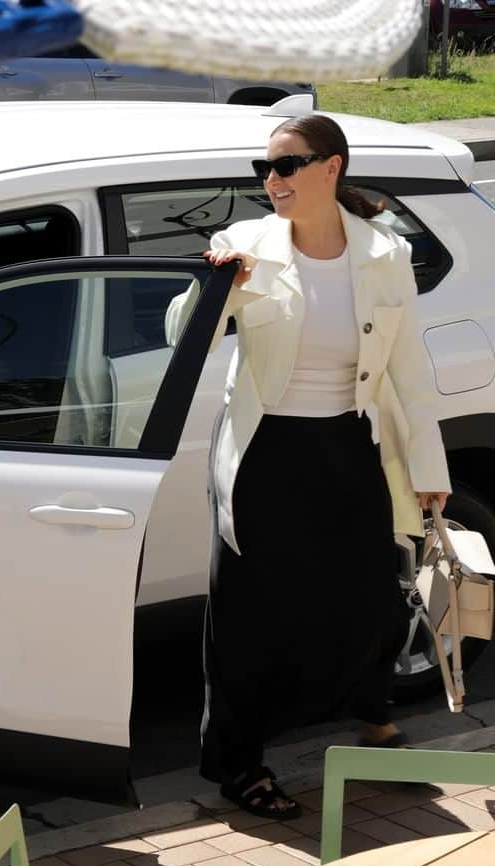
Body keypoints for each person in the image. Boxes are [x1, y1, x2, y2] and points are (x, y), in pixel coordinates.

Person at [167, 113, 451, 819]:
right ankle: (239, 765)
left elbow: (408, 369)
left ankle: (373, 725)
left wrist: (428, 465)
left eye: (287, 165)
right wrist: (217, 291)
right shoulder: (243, 245)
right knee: (248, 618)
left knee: (369, 598)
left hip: (349, 445)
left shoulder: (382, 255)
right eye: (265, 168)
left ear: (331, 168)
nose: (272, 180)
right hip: (265, 452)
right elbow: (180, 338)